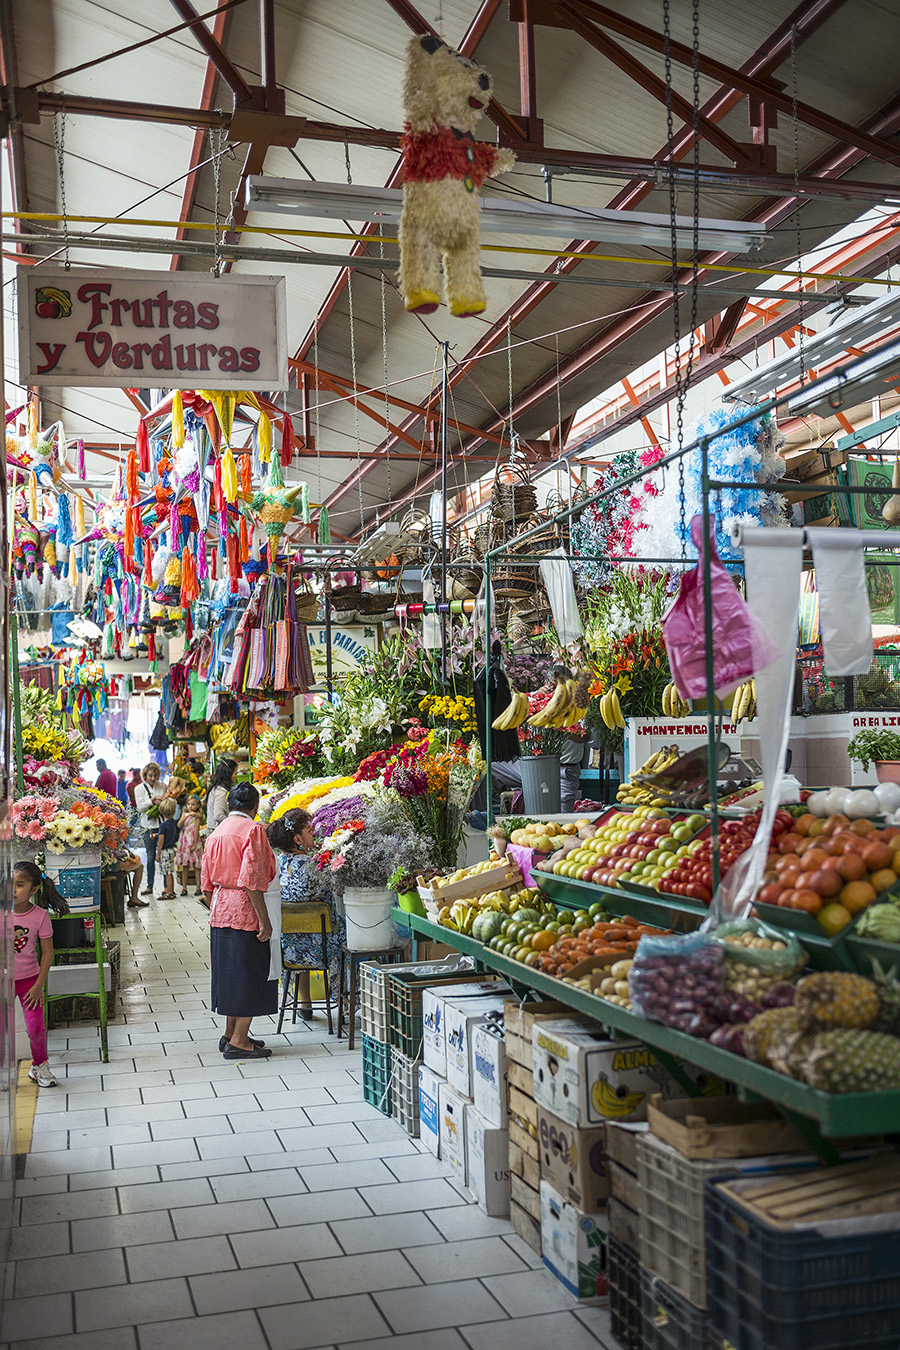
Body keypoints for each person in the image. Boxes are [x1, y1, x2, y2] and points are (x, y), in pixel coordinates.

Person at [201, 782, 277, 1060]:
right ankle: (240, 1040)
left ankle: (230, 1033)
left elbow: (205, 882)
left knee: (230, 974)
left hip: (220, 908)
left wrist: (217, 907)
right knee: (250, 974)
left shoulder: (216, 832)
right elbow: (252, 880)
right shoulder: (253, 830)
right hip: (245, 909)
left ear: (230, 805)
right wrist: (264, 920)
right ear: (255, 807)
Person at [267, 812, 347, 1021]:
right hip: (323, 948)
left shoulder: (275, 864)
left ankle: (305, 1002)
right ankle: (345, 997)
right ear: (297, 839)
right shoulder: (316, 866)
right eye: (310, 831)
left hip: (289, 951)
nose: (314, 835)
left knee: (300, 933)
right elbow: (336, 891)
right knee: (349, 935)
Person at [13, 861, 69, 1088]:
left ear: (34, 889)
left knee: (36, 1028)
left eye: (19, 885)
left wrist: (38, 985)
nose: (12, 890)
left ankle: (39, 1066)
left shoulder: (40, 916)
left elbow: (47, 954)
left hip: (30, 982)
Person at [133, 762, 164, 896]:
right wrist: (152, 800)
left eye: (155, 776)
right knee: (150, 857)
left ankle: (167, 886)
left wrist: (162, 801)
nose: (153, 779)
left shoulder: (162, 786)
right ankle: (149, 885)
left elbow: (168, 802)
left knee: (164, 855)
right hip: (148, 827)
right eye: (150, 776)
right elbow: (140, 807)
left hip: (162, 825)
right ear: (145, 775)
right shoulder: (139, 788)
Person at [175, 795, 203, 896]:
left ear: (198, 805)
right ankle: (184, 887)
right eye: (189, 804)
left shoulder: (197, 816)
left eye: (193, 804)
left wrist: (194, 844)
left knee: (197, 865)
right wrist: (186, 815)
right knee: (185, 864)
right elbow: (179, 824)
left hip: (193, 840)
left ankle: (198, 887)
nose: (190, 806)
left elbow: (196, 830)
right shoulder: (185, 813)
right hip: (184, 840)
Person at [206, 758, 237, 834]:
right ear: (228, 775)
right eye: (235, 773)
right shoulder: (221, 792)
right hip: (217, 831)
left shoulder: (218, 788)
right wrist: (234, 823)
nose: (236, 776)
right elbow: (218, 815)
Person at [155, 797, 179, 899]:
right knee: (170, 872)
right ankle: (171, 890)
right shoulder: (174, 823)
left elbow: (161, 840)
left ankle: (169, 892)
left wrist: (158, 853)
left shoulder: (163, 825)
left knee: (167, 872)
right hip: (172, 848)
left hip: (165, 850)